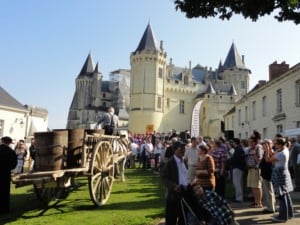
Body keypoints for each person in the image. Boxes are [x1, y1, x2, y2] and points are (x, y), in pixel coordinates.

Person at [265, 137, 294, 222]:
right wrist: (269, 149)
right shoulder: (284, 150)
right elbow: (273, 154)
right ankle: (289, 214)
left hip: (280, 174)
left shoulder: (281, 153)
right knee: (286, 194)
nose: (274, 144)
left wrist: (267, 150)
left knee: (282, 196)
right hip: (283, 173)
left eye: (275, 143)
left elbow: (268, 159)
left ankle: (282, 217)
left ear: (280, 145)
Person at [160, 141, 188, 225]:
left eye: (184, 148)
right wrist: (174, 186)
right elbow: (164, 178)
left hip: (184, 193)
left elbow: (186, 176)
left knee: (183, 219)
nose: (183, 150)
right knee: (171, 219)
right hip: (173, 196)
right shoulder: (170, 163)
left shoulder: (184, 161)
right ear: (175, 150)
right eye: (181, 148)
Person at [245, 130, 264, 208]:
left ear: (255, 141)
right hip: (250, 169)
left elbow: (259, 160)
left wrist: (254, 154)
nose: (250, 143)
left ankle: (259, 203)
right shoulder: (251, 148)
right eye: (249, 142)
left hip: (256, 169)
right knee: (253, 186)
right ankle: (255, 201)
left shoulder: (258, 147)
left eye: (251, 142)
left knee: (257, 186)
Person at [0, 136, 17, 214]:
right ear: (9, 142)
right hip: (5, 173)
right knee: (5, 191)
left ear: (2, 141)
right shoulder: (11, 152)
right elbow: (14, 164)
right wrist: (9, 168)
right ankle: (5, 209)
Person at [226, 138, 246, 203]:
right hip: (239, 168)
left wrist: (227, 161)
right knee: (238, 183)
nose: (232, 144)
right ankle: (239, 197)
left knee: (237, 183)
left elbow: (235, 159)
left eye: (233, 142)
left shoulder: (238, 149)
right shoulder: (239, 149)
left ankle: (239, 198)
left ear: (235, 143)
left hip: (237, 168)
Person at [260, 139, 276, 214]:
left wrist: (268, 149)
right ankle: (270, 206)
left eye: (265, 144)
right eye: (263, 144)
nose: (263, 145)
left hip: (268, 174)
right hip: (265, 174)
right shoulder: (266, 152)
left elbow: (268, 161)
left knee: (269, 191)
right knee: (267, 192)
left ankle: (271, 208)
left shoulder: (271, 151)